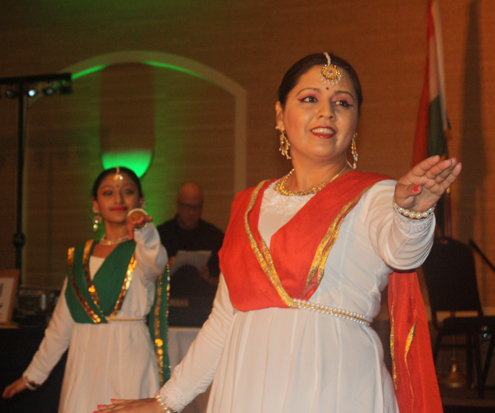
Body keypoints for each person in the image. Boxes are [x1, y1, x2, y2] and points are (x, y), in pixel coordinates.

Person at [98, 53, 461, 413]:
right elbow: (224, 319)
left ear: (355, 121)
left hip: (334, 383)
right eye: (309, 99)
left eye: (342, 103)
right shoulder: (249, 204)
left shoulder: (378, 195)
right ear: (279, 115)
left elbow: (404, 253)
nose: (326, 112)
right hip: (245, 385)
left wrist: (413, 213)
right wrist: (166, 402)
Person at [2, 167, 169, 413]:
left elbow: (156, 262)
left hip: (128, 358)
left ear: (140, 201)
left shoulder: (143, 251)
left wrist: (144, 230)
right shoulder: (79, 257)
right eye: (108, 192)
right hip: (84, 365)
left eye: (128, 192)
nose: (119, 199)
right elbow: (61, 327)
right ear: (95, 204)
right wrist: (31, 376)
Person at [157, 183, 224, 326]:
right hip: (168, 310)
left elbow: (226, 282)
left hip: (204, 310)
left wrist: (209, 278)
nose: (192, 212)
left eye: (196, 207)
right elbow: (147, 280)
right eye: (187, 207)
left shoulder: (214, 236)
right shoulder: (161, 235)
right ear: (178, 205)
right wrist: (165, 271)